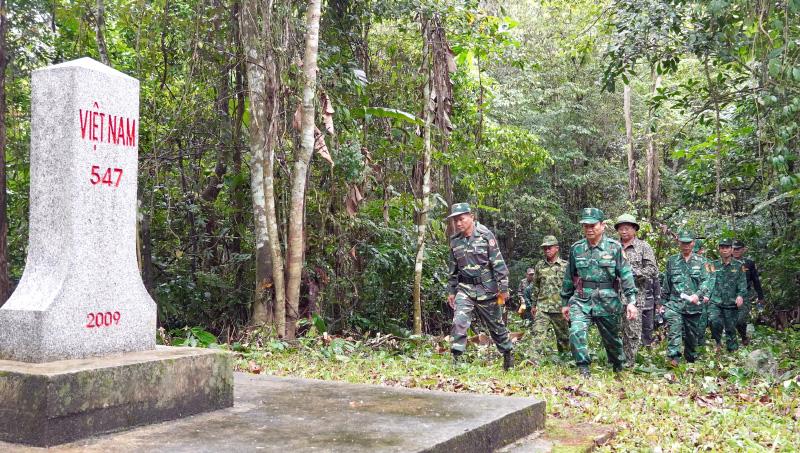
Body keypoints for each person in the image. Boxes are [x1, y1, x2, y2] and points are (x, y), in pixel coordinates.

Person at [560, 208, 638, 377]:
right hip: (581, 299)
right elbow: (569, 276)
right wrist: (565, 303)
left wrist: (631, 301)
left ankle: (618, 366)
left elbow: (625, 275)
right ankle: (584, 369)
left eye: (593, 225)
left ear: (602, 226)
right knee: (576, 331)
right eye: (585, 225)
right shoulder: (577, 249)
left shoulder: (614, 248)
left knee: (612, 341)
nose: (589, 229)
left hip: (608, 300)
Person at [446, 203, 514, 370]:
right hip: (465, 290)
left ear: (471, 217)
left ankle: (507, 356)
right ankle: (457, 360)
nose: (459, 223)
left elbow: (498, 264)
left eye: (461, 219)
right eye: (456, 221)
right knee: (459, 322)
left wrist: (503, 289)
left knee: (497, 327)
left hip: (487, 290)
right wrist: (451, 291)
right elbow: (453, 270)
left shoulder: (485, 236)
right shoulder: (455, 242)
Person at [660, 230, 713, 366]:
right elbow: (667, 283)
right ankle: (673, 358)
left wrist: (698, 294)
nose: (685, 246)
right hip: (674, 304)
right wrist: (662, 303)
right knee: (674, 329)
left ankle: (690, 358)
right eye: (683, 243)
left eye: (688, 243)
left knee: (691, 336)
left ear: (693, 243)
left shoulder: (702, 261)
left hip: (693, 307)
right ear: (679, 243)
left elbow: (706, 281)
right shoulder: (672, 261)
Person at [614, 214, 658, 366]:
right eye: (620, 228)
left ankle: (629, 362)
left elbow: (652, 269)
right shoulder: (613, 247)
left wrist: (633, 273)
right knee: (615, 329)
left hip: (635, 296)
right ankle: (616, 360)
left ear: (634, 229)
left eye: (627, 228)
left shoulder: (643, 247)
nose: (623, 231)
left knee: (632, 331)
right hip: (613, 296)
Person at [525, 235, 569, 354]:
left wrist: (569, 305)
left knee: (564, 338)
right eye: (545, 248)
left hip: (559, 308)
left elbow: (570, 287)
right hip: (542, 308)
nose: (547, 250)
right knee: (537, 334)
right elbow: (536, 286)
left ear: (557, 248)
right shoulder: (539, 266)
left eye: (549, 247)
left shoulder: (565, 266)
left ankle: (565, 360)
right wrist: (534, 305)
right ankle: (532, 360)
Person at [708, 239, 747, 352]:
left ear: (731, 249)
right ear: (719, 249)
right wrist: (706, 295)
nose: (724, 250)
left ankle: (733, 352)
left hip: (731, 302)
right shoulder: (712, 265)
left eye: (727, 248)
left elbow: (742, 284)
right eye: (722, 248)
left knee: (730, 329)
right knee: (714, 321)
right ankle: (718, 342)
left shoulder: (739, 266)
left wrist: (740, 295)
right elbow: (708, 281)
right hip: (716, 301)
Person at [732, 240, 764, 345]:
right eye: (734, 249)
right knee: (732, 319)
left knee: (740, 319)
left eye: (738, 249)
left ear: (743, 249)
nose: (736, 251)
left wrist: (760, 296)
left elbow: (755, 280)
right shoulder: (727, 262)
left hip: (745, 295)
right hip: (729, 295)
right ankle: (736, 339)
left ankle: (744, 337)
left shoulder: (749, 263)